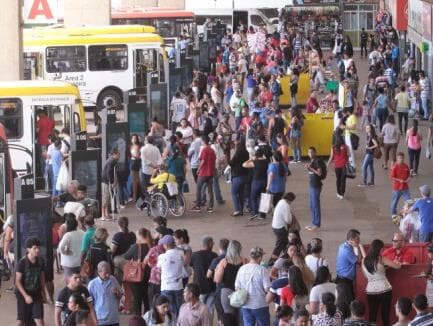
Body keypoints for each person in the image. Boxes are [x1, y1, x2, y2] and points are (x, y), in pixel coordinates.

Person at [362, 239, 401, 326]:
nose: (382, 251)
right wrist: (397, 262)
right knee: (385, 316)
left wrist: (383, 269)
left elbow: (366, 275)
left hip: (370, 290)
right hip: (385, 289)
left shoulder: (364, 260)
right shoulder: (381, 258)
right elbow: (397, 266)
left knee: (372, 316)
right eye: (382, 249)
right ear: (378, 249)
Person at [235, 246, 271, 326]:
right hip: (260, 304)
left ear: (250, 256)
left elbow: (237, 287)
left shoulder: (242, 269)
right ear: (260, 257)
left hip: (246, 304)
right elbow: (267, 289)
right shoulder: (262, 270)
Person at [15, 237, 46, 326]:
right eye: (35, 248)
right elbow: (17, 282)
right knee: (21, 320)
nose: (38, 250)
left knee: (39, 319)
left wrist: (44, 293)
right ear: (28, 249)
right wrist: (26, 296)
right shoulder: (22, 263)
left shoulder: (41, 261)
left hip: (36, 293)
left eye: (38, 248)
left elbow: (42, 278)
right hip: (23, 294)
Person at [214, 240, 245, 325]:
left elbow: (217, 280)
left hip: (227, 291)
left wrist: (217, 270)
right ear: (239, 249)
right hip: (240, 292)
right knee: (241, 317)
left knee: (229, 317)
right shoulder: (244, 260)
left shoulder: (224, 262)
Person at [123, 228, 152, 315]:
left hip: (136, 276)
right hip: (149, 276)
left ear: (140, 236)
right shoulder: (151, 246)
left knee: (137, 298)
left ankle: (138, 319)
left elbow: (126, 256)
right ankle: (147, 318)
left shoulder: (136, 247)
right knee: (147, 298)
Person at [157, 235, 184, 317]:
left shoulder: (162, 257)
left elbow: (159, 270)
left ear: (166, 245)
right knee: (179, 310)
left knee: (167, 312)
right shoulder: (181, 254)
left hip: (166, 286)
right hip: (178, 286)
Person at [88, 261, 122, 326]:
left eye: (109, 272)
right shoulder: (92, 284)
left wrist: (117, 293)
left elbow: (120, 296)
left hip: (114, 318)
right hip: (100, 320)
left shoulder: (113, 279)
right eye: (105, 273)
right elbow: (90, 304)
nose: (108, 275)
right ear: (99, 272)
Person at [336, 229, 366, 302]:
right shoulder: (346, 251)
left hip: (342, 277)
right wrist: (358, 247)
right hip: (344, 280)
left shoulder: (343, 246)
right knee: (349, 301)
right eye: (357, 239)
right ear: (351, 239)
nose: (359, 241)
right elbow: (359, 260)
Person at [190, 236, 217, 312]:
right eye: (212, 243)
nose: (213, 245)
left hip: (198, 287)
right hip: (212, 287)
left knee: (198, 310)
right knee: (210, 310)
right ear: (210, 244)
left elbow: (191, 265)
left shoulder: (195, 255)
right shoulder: (214, 255)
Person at [191, 135, 216, 213]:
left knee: (199, 188)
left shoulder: (204, 150)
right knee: (210, 190)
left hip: (204, 172)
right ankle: (210, 207)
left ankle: (198, 205)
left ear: (203, 141)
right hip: (211, 172)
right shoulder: (212, 150)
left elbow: (203, 161)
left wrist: (198, 169)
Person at [243, 148, 268, 219]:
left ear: (256, 155)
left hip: (256, 182)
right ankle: (263, 215)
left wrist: (251, 159)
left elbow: (244, 164)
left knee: (253, 197)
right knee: (263, 197)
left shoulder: (255, 162)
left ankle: (255, 213)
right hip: (264, 181)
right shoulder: (266, 161)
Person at [270, 192, 295, 261]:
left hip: (275, 226)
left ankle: (287, 256)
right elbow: (288, 220)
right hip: (280, 228)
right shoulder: (286, 205)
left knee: (285, 243)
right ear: (290, 200)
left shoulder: (280, 202)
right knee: (279, 245)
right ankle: (272, 260)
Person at [58, 215, 84, 280]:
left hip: (69, 263)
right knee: (78, 280)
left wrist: (66, 252)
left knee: (70, 281)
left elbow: (60, 248)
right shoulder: (83, 233)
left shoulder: (68, 235)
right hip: (80, 261)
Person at [111, 216, 136, 282]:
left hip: (119, 259)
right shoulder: (132, 234)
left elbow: (113, 251)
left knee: (116, 270)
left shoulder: (117, 236)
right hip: (129, 259)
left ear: (118, 225)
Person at [305, 147, 325, 231]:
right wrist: (308, 168)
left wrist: (311, 168)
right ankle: (313, 223)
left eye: (311, 152)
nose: (310, 154)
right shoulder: (312, 161)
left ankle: (317, 224)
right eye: (309, 152)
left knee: (315, 205)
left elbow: (319, 173)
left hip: (316, 186)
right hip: (312, 185)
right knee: (311, 205)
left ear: (315, 153)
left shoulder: (317, 161)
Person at [229, 138, 249, 216]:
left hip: (237, 175)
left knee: (234, 193)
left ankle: (237, 209)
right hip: (245, 174)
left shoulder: (237, 153)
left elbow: (231, 163)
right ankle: (241, 209)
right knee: (241, 193)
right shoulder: (246, 152)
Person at [328, 128, 349, 199]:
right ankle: (342, 193)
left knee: (338, 179)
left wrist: (327, 165)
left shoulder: (333, 147)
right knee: (343, 180)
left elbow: (331, 157)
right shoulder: (346, 146)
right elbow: (349, 155)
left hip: (337, 166)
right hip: (344, 165)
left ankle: (338, 192)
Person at [390, 152, 411, 217]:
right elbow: (391, 177)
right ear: (397, 158)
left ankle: (407, 214)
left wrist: (409, 178)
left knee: (408, 202)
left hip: (405, 188)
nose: (401, 159)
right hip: (397, 188)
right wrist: (399, 180)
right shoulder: (395, 166)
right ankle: (393, 214)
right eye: (399, 158)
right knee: (394, 203)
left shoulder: (406, 166)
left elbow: (409, 175)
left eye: (402, 158)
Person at [101, 149, 120, 221]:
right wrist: (112, 182)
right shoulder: (111, 161)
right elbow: (109, 172)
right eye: (118, 154)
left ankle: (107, 214)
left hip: (106, 181)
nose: (119, 156)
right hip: (105, 181)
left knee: (108, 198)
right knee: (105, 198)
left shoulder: (112, 161)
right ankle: (103, 215)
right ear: (114, 154)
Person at [129, 134, 142, 202]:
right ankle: (138, 195)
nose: (134, 139)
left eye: (135, 138)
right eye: (133, 138)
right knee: (136, 180)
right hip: (133, 162)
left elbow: (138, 156)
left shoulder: (137, 146)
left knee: (135, 181)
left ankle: (135, 196)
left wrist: (133, 155)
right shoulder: (131, 146)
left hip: (135, 163)